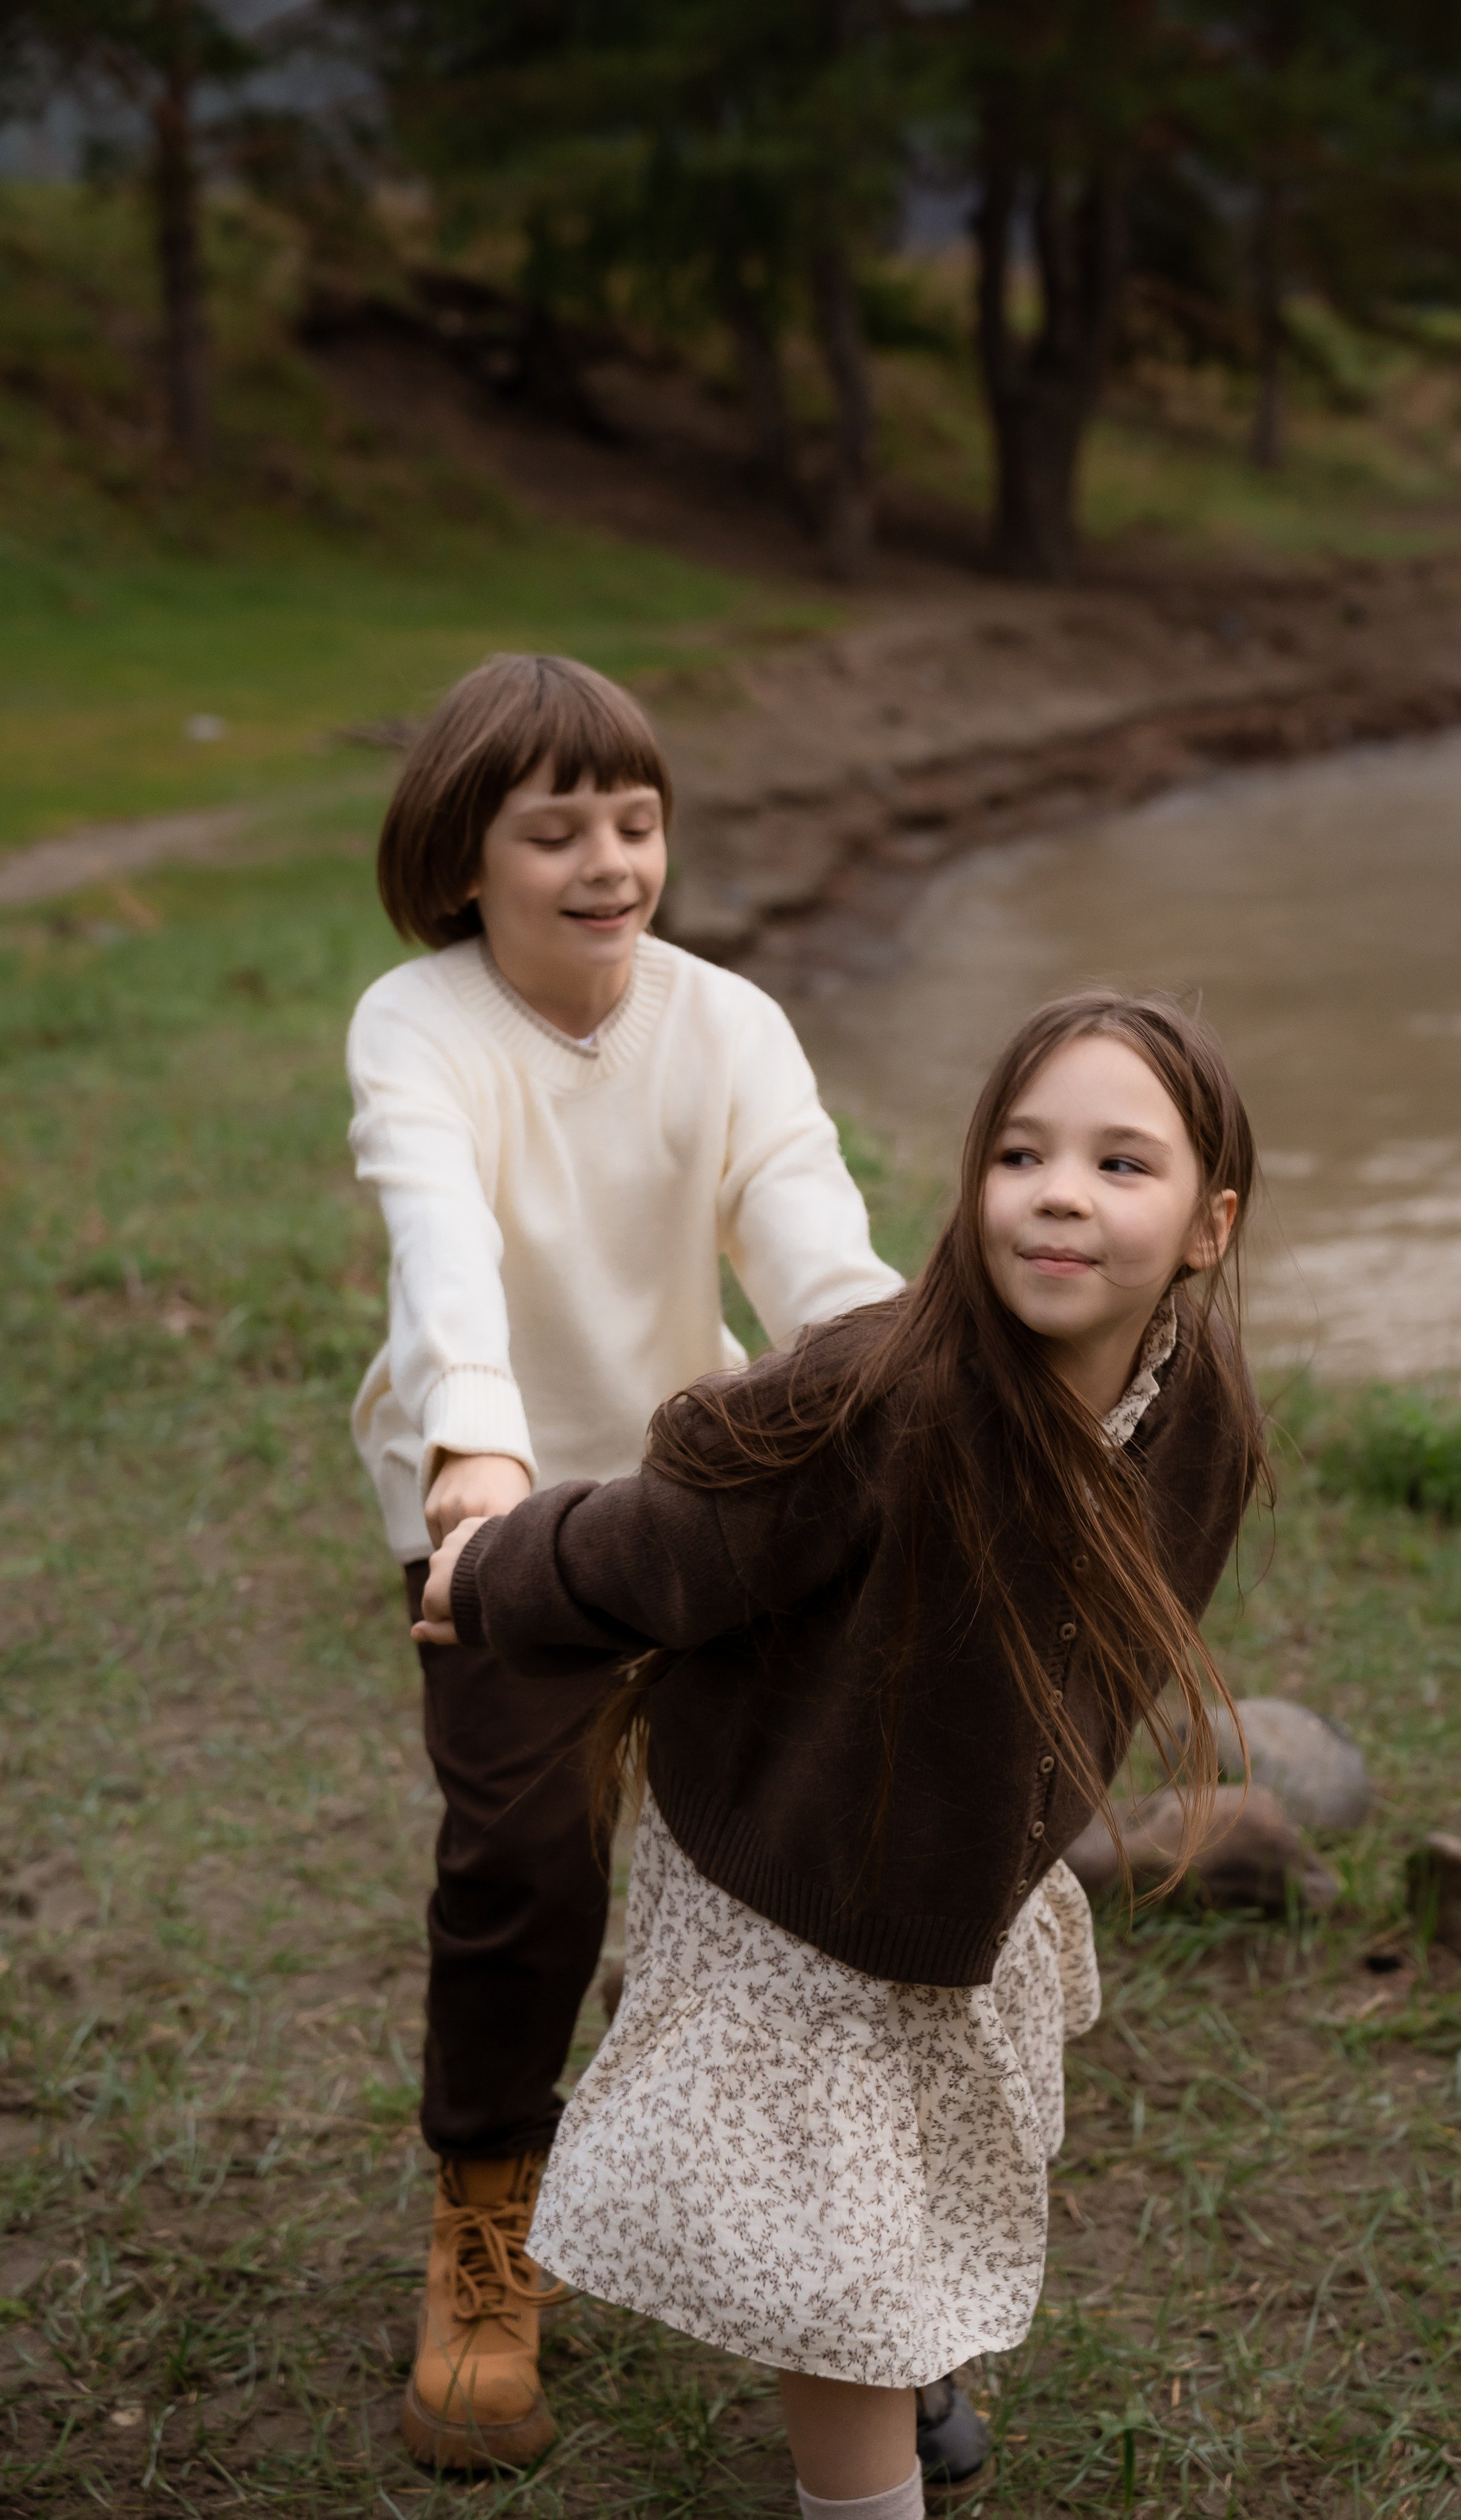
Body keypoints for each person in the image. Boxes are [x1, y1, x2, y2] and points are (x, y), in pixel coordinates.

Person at [417, 990, 1268, 2519]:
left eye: (1119, 1165)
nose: (1059, 1190)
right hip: (789, 1859)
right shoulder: (876, 1401)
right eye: (1020, 1152)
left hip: (954, 1862)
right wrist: (488, 1571)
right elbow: (655, 1550)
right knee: (836, 2266)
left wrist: (1016, 1835)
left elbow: (1104, 1651)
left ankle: (906, 2334)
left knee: (917, 2154)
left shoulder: (1196, 1410)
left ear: (1208, 1228)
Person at [346, 652, 901, 2470]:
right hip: (494, 1513)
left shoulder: (726, 1022)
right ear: (464, 856)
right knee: (521, 1863)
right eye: (557, 826)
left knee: (772, 1867)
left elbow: (811, 1243)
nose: (610, 860)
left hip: (699, 1508)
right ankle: (486, 2226)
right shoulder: (416, 1023)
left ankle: (831, 2277)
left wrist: (912, 1379)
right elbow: (441, 1242)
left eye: (638, 821)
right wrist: (476, 1461)